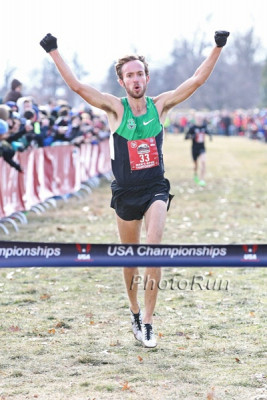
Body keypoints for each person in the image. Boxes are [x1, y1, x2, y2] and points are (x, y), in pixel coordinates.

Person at [40, 30, 230, 348]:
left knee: (153, 249)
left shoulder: (161, 105)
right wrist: (54, 50)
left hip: (155, 187)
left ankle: (150, 322)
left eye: (140, 73)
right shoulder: (115, 109)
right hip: (126, 192)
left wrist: (217, 47)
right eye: (130, 75)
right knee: (131, 258)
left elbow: (196, 80)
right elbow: (76, 86)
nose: (136, 79)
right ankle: (134, 312)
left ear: (147, 77)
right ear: (123, 81)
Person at [185, 112, 212, 186]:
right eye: (198, 118)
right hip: (194, 148)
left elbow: (207, 132)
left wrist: (210, 136)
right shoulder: (192, 127)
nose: (199, 120)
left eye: (201, 118)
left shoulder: (204, 126)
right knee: (195, 165)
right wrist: (192, 136)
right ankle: (195, 175)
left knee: (203, 162)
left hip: (202, 148)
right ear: (195, 119)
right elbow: (186, 137)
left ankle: (202, 179)